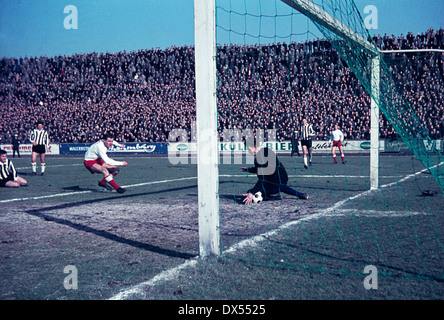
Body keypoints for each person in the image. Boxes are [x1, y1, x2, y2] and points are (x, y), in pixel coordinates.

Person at [241, 143, 307, 205]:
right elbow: (261, 170)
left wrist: (252, 192)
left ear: (255, 147)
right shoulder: (266, 151)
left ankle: (271, 195)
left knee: (251, 192)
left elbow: (263, 178)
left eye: (249, 149)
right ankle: (300, 194)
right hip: (281, 179)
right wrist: (248, 169)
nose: (248, 152)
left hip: (273, 182)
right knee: (281, 187)